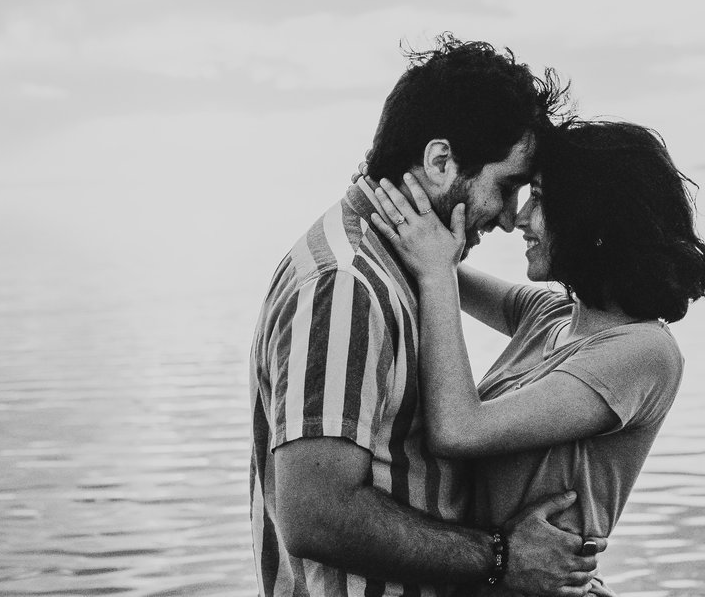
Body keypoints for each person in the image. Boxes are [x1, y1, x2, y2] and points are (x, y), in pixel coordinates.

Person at [249, 36, 604, 597]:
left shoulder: (403, 265)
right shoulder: (345, 285)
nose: (512, 219)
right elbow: (316, 513)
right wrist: (501, 558)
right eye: (507, 186)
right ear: (441, 162)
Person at [369, 120, 705, 596]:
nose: (518, 219)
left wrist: (436, 271)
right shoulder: (550, 314)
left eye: (538, 198)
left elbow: (458, 428)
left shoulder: (644, 353)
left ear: (593, 219)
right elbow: (437, 263)